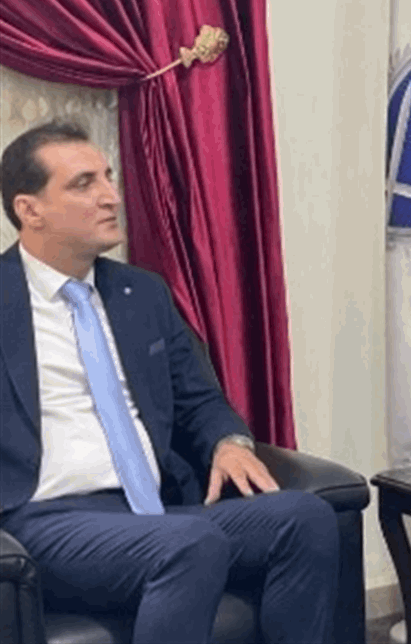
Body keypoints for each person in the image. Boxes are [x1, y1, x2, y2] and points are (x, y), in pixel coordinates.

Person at [0, 121, 338, 643]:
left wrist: (228, 443)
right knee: (189, 544)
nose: (111, 196)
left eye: (108, 177)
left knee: (305, 517)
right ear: (30, 209)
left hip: (154, 510)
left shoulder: (142, 293)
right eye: (84, 184)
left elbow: (198, 399)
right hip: (47, 520)